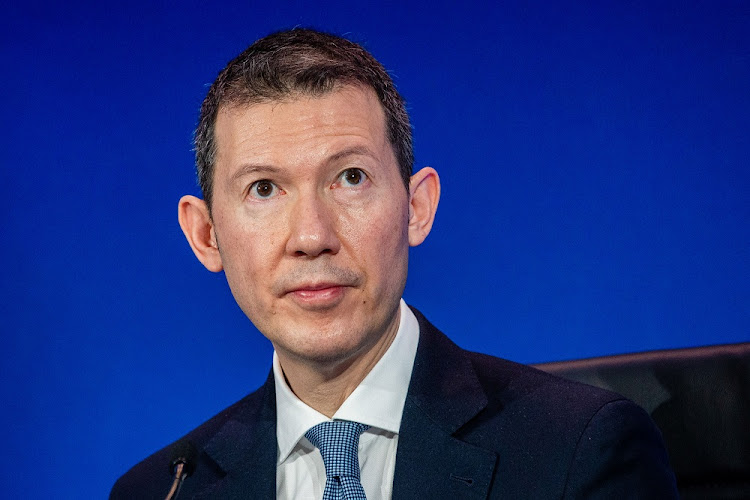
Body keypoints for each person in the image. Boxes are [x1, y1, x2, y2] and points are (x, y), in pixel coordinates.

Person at [111, 28, 678, 499]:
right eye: (264, 188)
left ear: (416, 207)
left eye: (350, 178)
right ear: (206, 235)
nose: (311, 237)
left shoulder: (578, 453)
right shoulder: (160, 491)